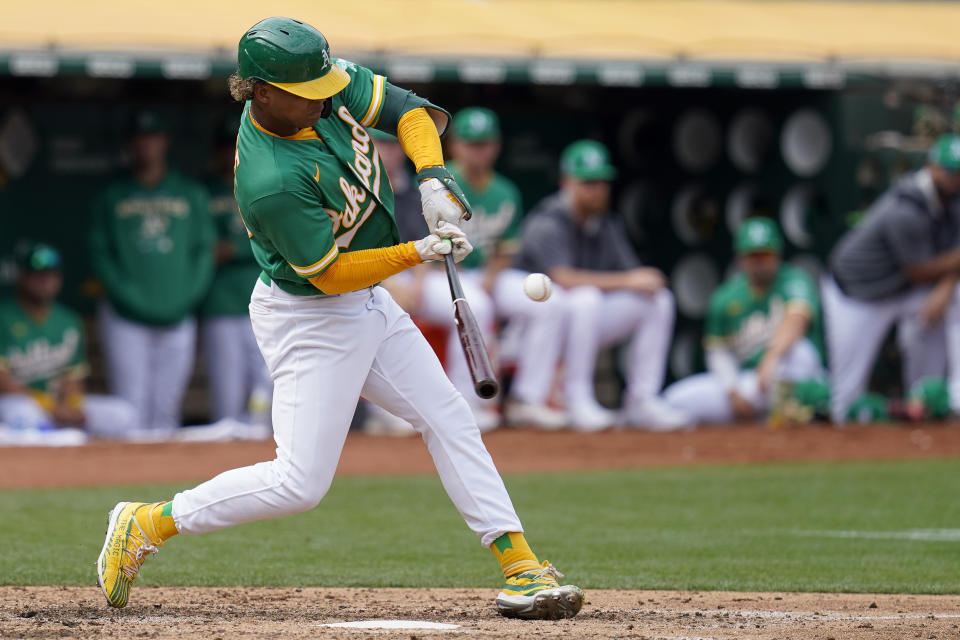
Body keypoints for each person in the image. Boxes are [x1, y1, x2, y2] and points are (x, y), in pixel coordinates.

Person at [96, 17, 583, 622]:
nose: (326, 94)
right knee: (300, 484)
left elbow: (411, 111)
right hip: (310, 317)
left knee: (450, 417)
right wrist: (415, 253)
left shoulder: (314, 84)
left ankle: (521, 566)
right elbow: (328, 274)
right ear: (262, 91)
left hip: (368, 301)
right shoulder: (269, 179)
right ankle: (146, 523)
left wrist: (432, 178)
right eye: (310, 89)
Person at [512, 139, 689, 432]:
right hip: (531, 330)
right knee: (586, 298)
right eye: (589, 182)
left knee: (658, 300)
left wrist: (642, 280)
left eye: (601, 182)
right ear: (567, 182)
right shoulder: (548, 220)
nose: (597, 190)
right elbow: (563, 278)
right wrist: (628, 280)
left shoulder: (605, 224)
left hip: (583, 323)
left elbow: (632, 275)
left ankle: (643, 401)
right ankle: (577, 398)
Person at [380, 108, 527, 430]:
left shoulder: (410, 184)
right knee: (474, 305)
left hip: (437, 271)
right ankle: (401, 409)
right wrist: (397, 280)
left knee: (548, 304)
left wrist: (490, 275)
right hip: (408, 273)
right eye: (471, 143)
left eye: (484, 143)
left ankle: (521, 398)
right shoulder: (430, 182)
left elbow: (505, 248)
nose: (479, 150)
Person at [89, 110, 215, 433]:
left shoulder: (190, 193)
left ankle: (160, 482)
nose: (146, 145)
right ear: (129, 145)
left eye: (152, 137)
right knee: (131, 409)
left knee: (166, 410)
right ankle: (128, 480)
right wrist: (129, 297)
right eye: (138, 138)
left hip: (178, 314)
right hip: (125, 317)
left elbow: (205, 253)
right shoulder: (112, 195)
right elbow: (101, 255)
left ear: (165, 142)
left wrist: (185, 297)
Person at [824, 134, 960, 422]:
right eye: (950, 171)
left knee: (951, 299)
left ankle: (932, 401)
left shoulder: (952, 200)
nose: (955, 178)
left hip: (904, 289)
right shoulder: (905, 208)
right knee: (845, 395)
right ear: (932, 167)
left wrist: (946, 287)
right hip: (857, 294)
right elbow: (919, 270)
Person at [663, 218, 825, 424]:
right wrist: (732, 392)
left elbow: (797, 320)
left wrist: (771, 358)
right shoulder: (725, 296)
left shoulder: (794, 279)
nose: (760, 262)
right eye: (753, 255)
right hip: (749, 382)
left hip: (787, 374)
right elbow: (717, 352)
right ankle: (761, 419)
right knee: (674, 399)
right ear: (740, 258)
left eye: (765, 254)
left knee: (800, 351)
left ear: (777, 253)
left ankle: (793, 412)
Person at [0, 242, 137, 438]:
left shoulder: (68, 320)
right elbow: (2, 380)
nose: (46, 281)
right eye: (38, 275)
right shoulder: (4, 316)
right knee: (26, 417)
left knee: (123, 414)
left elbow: (73, 376)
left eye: (52, 275)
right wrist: (49, 407)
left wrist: (71, 406)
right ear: (23, 277)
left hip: (57, 403)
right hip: (17, 402)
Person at [199, 117, 272, 426]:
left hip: (265, 302)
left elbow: (275, 238)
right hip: (222, 304)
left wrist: (239, 249)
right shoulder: (202, 191)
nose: (232, 154)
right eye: (226, 148)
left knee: (267, 392)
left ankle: (268, 458)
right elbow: (205, 248)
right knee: (227, 399)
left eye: (237, 146)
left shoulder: (264, 184)